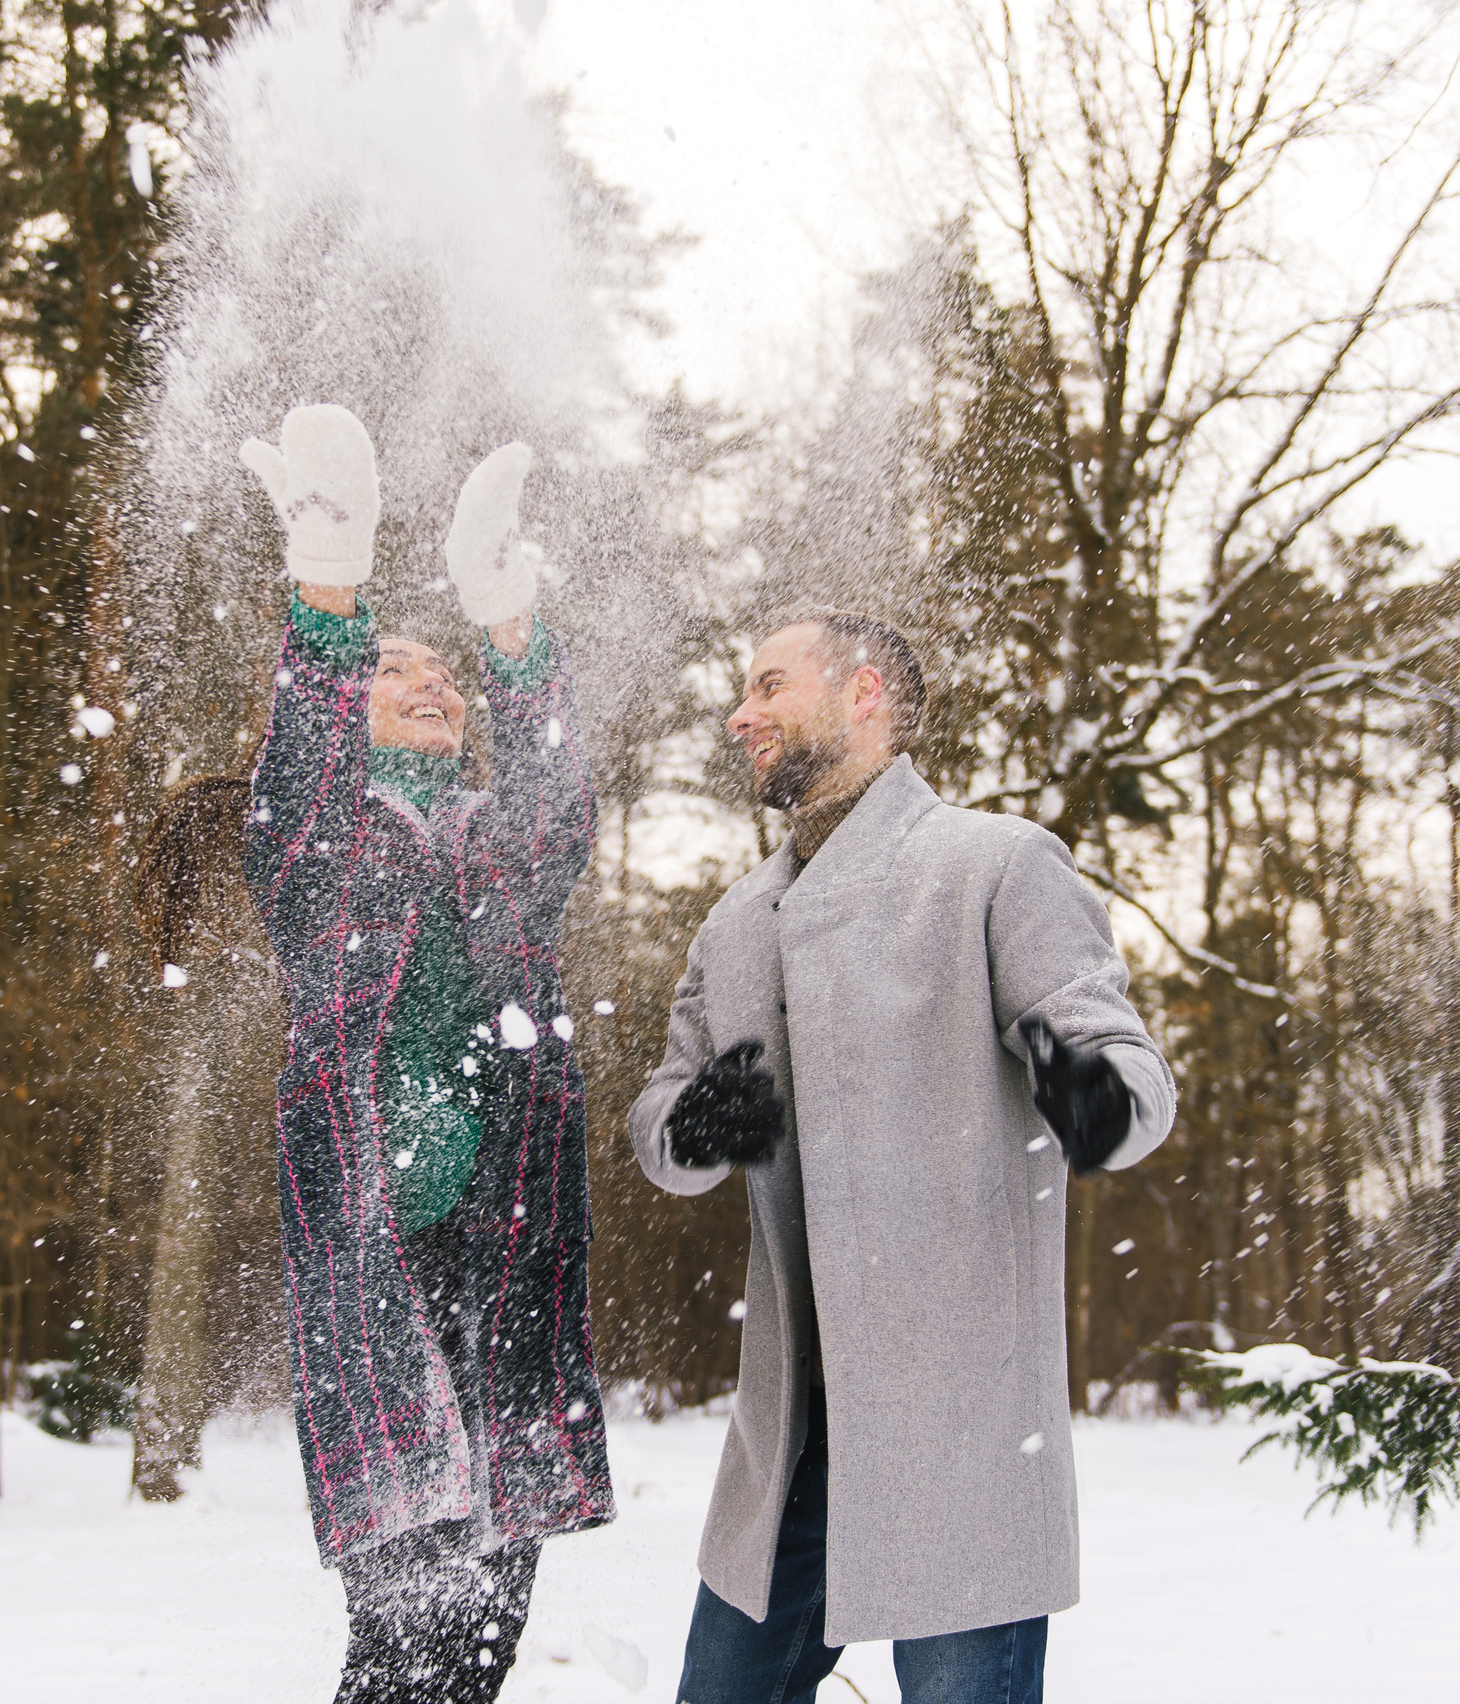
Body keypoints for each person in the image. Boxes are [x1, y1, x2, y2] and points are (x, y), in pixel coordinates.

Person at [627, 610, 1176, 1704]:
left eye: (770, 685)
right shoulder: (736, 923)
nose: (742, 714)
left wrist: (1094, 1096)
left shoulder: (995, 865)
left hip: (960, 1438)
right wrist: (688, 1128)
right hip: (788, 1445)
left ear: (864, 693)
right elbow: (659, 1120)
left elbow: (1127, 1070)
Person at [238, 405, 614, 1704]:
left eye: (444, 675)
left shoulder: (494, 856)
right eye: (399, 670)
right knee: (403, 1656)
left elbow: (558, 808)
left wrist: (509, 626)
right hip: (381, 1291)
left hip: (507, 1286)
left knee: (478, 1651)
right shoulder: (321, 848)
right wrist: (331, 596)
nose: (430, 681)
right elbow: (298, 768)